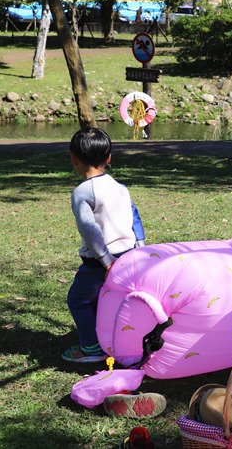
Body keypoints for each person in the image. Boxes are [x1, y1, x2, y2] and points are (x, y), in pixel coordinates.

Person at [63, 127, 146, 363]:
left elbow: (89, 229)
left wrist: (106, 261)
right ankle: (112, 340)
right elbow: (135, 217)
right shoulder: (120, 188)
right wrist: (140, 249)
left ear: (73, 159)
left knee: (78, 300)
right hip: (129, 255)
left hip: (99, 262)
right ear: (109, 158)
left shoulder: (82, 192)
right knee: (107, 300)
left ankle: (91, 348)